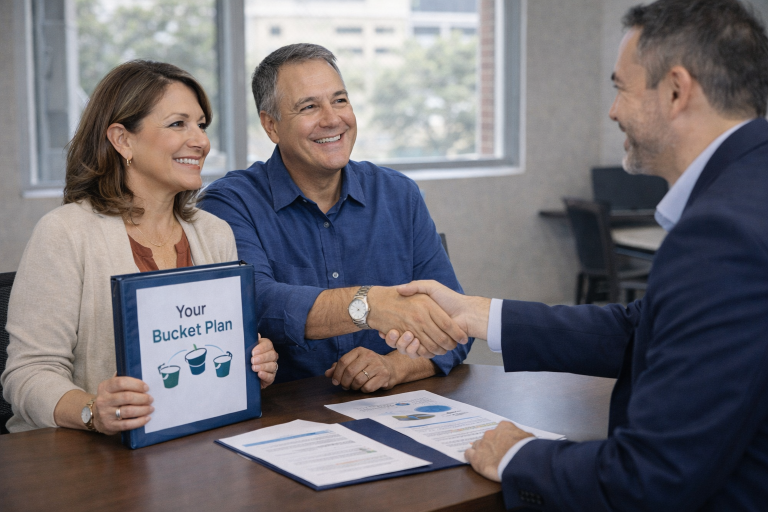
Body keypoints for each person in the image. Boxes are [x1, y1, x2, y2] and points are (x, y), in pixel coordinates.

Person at [387, 0, 768, 509]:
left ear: (676, 90)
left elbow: (651, 478)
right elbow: (644, 328)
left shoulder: (722, 233)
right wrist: (479, 314)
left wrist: (520, 457)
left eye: (620, 88)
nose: (612, 110)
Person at [1, 61, 278, 435]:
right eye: (178, 123)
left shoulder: (215, 233)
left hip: (187, 448)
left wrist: (254, 361)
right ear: (123, 140)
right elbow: (28, 375)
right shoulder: (65, 233)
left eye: (201, 124)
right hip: (81, 460)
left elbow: (214, 351)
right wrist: (92, 411)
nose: (200, 141)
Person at [201, 44, 471, 393]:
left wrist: (394, 366)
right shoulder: (230, 202)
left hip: (393, 411)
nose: (332, 119)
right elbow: (256, 303)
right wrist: (367, 305)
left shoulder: (399, 194)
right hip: (285, 419)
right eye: (309, 106)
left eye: (340, 100)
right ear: (271, 125)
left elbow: (454, 321)